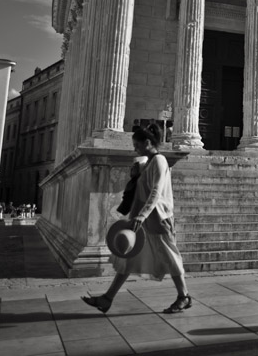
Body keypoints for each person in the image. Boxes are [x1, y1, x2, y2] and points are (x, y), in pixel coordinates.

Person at [82, 124, 191, 313]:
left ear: (148, 142)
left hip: (158, 218)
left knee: (170, 257)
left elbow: (156, 191)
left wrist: (141, 216)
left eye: (137, 145)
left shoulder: (159, 161)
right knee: (128, 258)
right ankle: (107, 299)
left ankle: (184, 296)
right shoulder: (148, 163)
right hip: (143, 220)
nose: (135, 149)